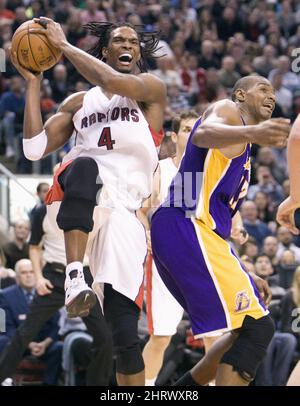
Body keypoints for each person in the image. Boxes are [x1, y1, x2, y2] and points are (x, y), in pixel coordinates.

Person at [10, 19, 166, 386]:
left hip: (124, 212)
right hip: (78, 198)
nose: (128, 44)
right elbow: (33, 149)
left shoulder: (150, 90)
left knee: (123, 335)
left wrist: (62, 46)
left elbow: (112, 82)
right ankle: (74, 276)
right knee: (84, 165)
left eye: (133, 41)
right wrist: (33, 82)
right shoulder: (78, 102)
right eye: (119, 40)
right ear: (105, 50)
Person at [151, 76, 290, 386]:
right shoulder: (228, 111)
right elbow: (203, 135)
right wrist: (254, 130)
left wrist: (240, 268)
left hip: (189, 231)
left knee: (245, 329)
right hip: (184, 224)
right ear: (240, 94)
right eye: (263, 89)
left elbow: (215, 219)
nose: (271, 95)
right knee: (258, 328)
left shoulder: (244, 141)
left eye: (273, 91)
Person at [0, 200, 112, 386]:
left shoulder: (96, 208)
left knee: (104, 338)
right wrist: (38, 278)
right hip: (53, 276)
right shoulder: (43, 210)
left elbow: (102, 247)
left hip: (83, 276)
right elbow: (34, 246)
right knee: (24, 333)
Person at [141, 111, 198, 386]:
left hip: (197, 260)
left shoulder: (204, 171)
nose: (193, 134)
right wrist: (148, 232)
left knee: (215, 333)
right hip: (164, 261)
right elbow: (141, 210)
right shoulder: (160, 169)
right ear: (174, 136)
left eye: (197, 129)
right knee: (161, 336)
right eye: (187, 129)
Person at [0, 259, 63, 386]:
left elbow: (56, 324)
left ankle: (49, 383)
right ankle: (6, 379)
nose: (28, 275)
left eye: (32, 272)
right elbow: (7, 327)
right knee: (3, 340)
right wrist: (28, 344)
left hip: (43, 344)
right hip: (18, 343)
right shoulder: (5, 296)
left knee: (59, 347)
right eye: (24, 273)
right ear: (17, 277)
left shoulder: (49, 292)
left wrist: (45, 343)